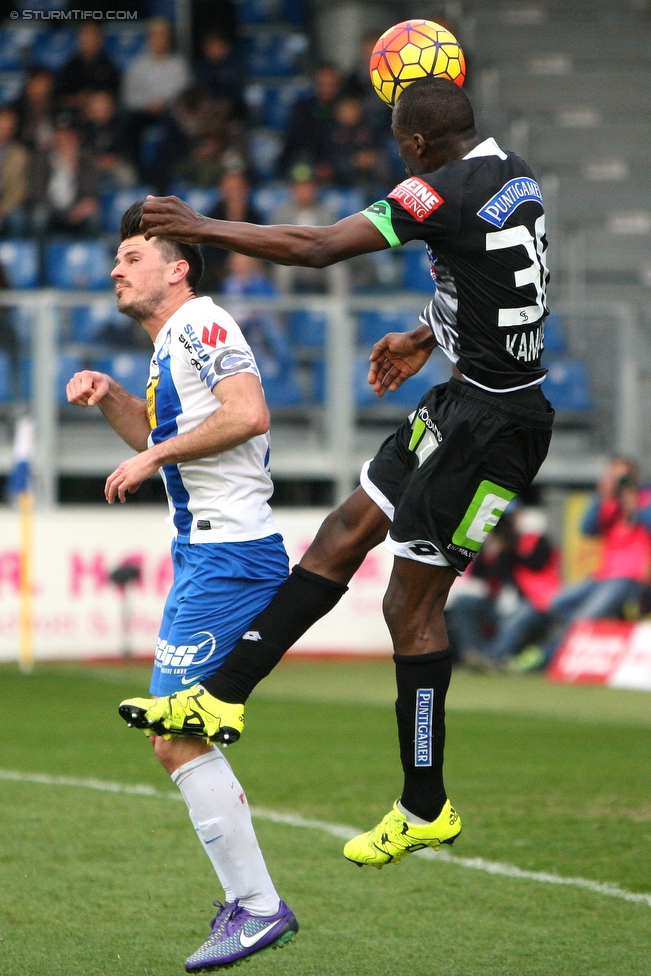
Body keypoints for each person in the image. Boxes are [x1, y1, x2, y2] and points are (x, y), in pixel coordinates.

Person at [122, 77, 554, 868]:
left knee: (407, 605)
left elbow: (320, 248)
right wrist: (427, 331)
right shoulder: (509, 171)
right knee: (341, 532)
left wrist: (201, 226)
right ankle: (221, 696)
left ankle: (424, 804)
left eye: (400, 143)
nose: (400, 155)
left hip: (496, 430)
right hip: (464, 400)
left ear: (417, 145)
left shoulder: (433, 190)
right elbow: (495, 270)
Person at [67, 201, 298, 970]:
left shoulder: (201, 325)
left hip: (230, 553)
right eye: (116, 258)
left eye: (133, 255)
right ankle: (253, 903)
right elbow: (164, 435)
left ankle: (259, 907)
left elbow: (248, 414)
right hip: (208, 553)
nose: (115, 269)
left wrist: (151, 461)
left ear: (178, 268)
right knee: (175, 733)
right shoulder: (171, 341)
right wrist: (114, 403)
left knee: (175, 735)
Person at [541, 457, 651, 663]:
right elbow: (587, 529)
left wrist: (634, 504)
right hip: (603, 574)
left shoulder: (645, 498)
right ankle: (582, 643)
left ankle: (550, 657)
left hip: (630, 576)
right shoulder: (609, 503)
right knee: (556, 604)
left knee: (584, 617)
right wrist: (603, 497)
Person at [54, 23, 120, 109]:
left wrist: (95, 100)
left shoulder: (108, 66)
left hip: (103, 113)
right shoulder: (70, 67)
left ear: (100, 40)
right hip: (75, 112)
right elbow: (60, 99)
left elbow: (115, 96)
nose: (88, 41)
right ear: (78, 40)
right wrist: (78, 99)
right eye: (85, 36)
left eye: (92, 36)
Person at [0, 106, 30, 235]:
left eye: (7, 127)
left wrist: (1, 210)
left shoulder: (20, 154)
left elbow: (18, 189)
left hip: (7, 205)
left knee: (17, 218)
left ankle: (14, 254)